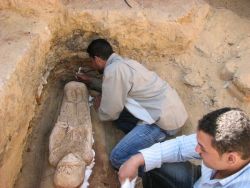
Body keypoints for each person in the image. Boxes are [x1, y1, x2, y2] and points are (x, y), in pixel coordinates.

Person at [76, 38, 188, 170]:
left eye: (91, 61)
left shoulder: (113, 71)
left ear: (97, 59)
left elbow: (110, 112)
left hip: (163, 124)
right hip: (175, 113)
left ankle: (158, 169)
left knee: (117, 158)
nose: (92, 65)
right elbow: (114, 87)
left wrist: (99, 107)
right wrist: (91, 81)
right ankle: (144, 141)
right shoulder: (126, 64)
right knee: (120, 119)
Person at [118, 107, 250, 188]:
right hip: (199, 181)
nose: (197, 150)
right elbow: (180, 147)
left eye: (202, 149)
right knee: (151, 163)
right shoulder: (219, 143)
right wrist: (135, 160)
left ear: (231, 158)